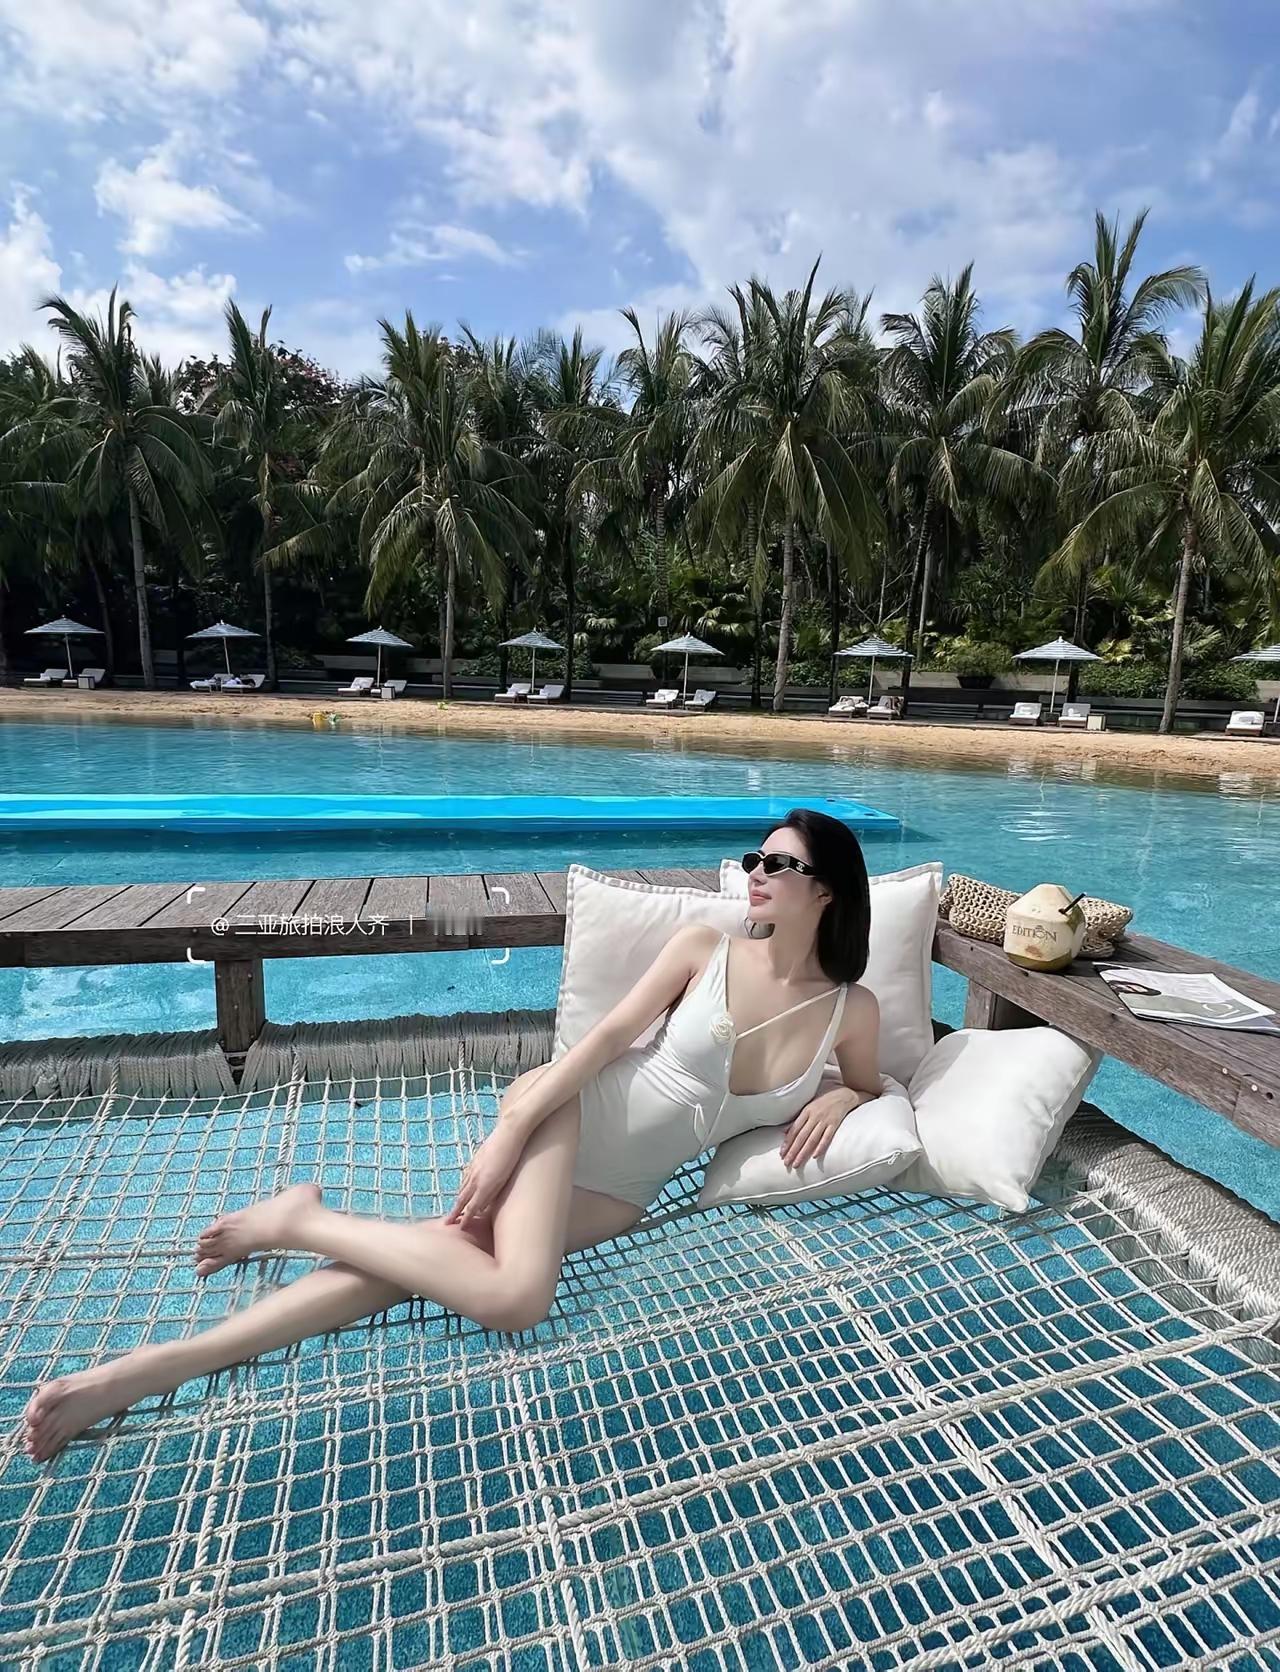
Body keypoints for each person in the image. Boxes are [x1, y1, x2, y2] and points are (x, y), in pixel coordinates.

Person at [22, 808, 883, 1463]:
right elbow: (604, 1041)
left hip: (621, 1193)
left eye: (779, 863)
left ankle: (165, 1358)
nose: (756, 872)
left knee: (431, 1263)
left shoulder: (853, 1010)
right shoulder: (706, 946)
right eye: (754, 859)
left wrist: (843, 1098)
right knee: (515, 1299)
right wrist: (515, 1124)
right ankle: (297, 1227)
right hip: (569, 1111)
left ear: (828, 890)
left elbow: (877, 1084)